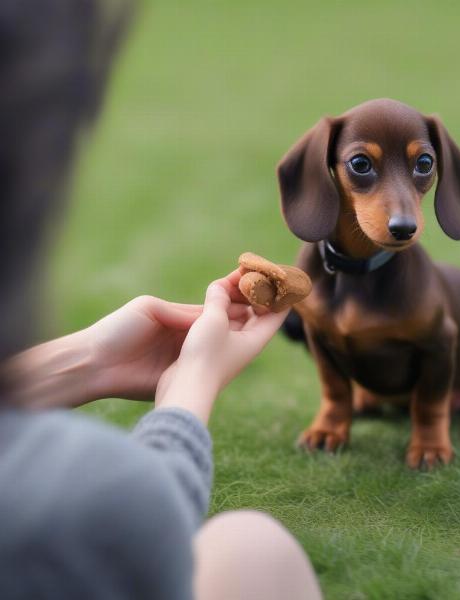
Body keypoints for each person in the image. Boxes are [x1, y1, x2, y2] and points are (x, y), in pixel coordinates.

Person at [0, 1, 322, 599]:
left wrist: (86, 361)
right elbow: (136, 517)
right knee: (255, 552)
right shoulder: (74, 491)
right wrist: (188, 395)